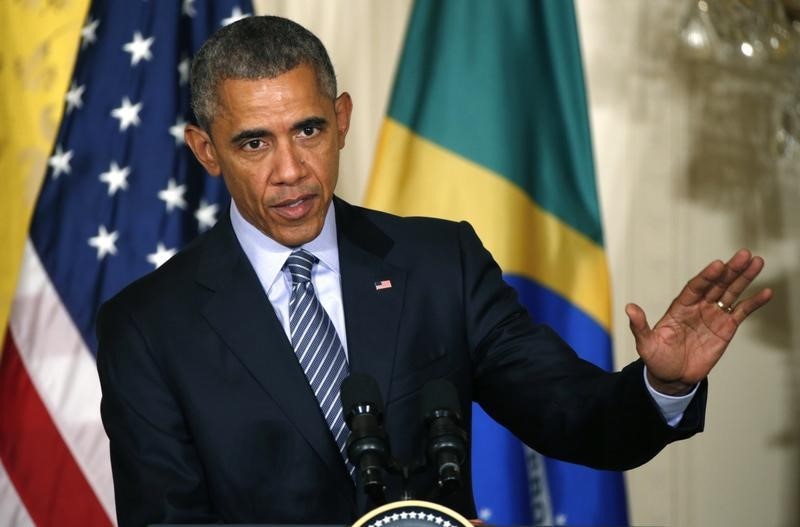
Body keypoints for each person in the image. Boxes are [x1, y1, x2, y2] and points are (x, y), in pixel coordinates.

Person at [96, 15, 773, 527]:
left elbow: (575, 415)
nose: (291, 170)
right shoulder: (150, 326)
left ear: (342, 120)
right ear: (206, 150)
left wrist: (661, 385)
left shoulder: (436, 263)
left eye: (308, 130)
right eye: (253, 142)